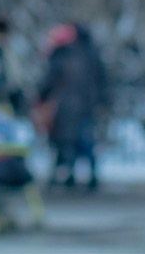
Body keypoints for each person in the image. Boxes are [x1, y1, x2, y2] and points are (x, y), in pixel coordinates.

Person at [38, 22, 107, 190]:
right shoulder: (90, 53)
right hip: (86, 105)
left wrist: (41, 97)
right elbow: (101, 80)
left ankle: (67, 173)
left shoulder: (62, 55)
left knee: (65, 140)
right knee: (85, 140)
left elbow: (50, 80)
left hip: (65, 105)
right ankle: (90, 175)